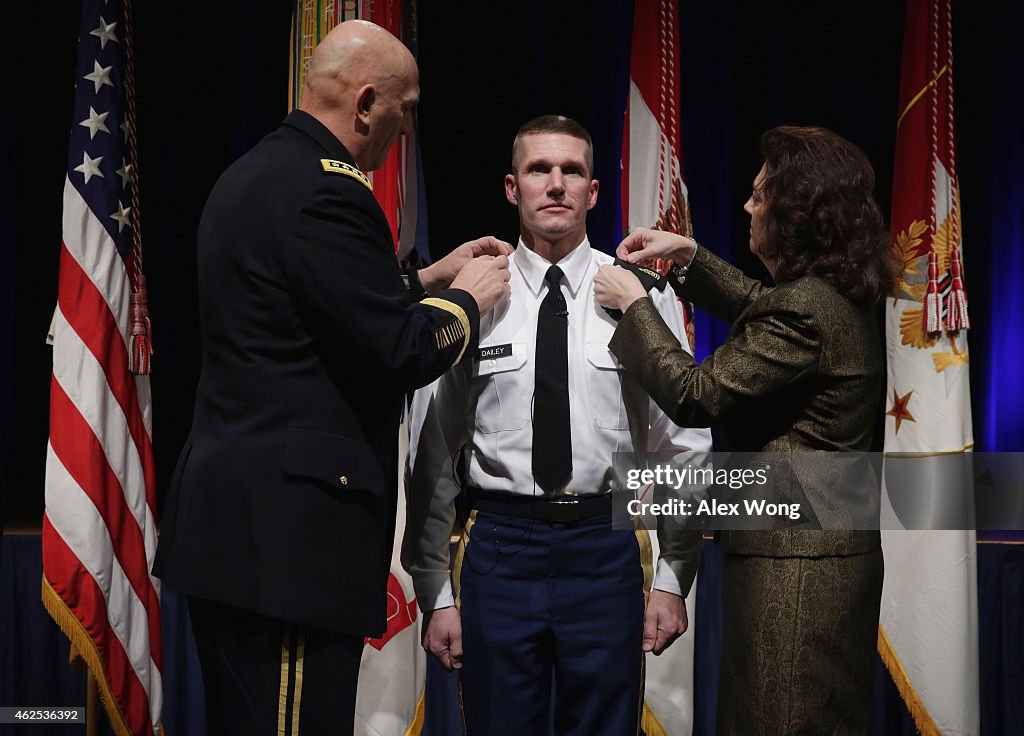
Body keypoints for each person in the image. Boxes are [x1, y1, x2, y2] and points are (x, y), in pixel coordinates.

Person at [152, 19, 512, 735]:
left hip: (242, 530)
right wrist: (468, 297)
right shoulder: (330, 193)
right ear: (368, 101)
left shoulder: (257, 172)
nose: (406, 131)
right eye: (406, 110)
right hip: (288, 547)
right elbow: (400, 353)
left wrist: (421, 280)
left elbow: (310, 313)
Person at [403, 115, 712, 735]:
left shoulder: (637, 296)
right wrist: (435, 590)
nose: (556, 184)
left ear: (592, 192)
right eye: (539, 170)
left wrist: (675, 580)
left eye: (571, 171)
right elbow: (432, 451)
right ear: (512, 188)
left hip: (604, 549)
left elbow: (684, 444)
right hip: (499, 548)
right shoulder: (476, 293)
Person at [593, 125, 893, 735]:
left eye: (760, 196)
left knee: (778, 720)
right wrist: (689, 260)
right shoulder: (837, 294)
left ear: (796, 213)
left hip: (798, 571)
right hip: (820, 555)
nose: (747, 206)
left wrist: (636, 307)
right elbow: (765, 306)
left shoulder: (807, 308)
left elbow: (694, 395)